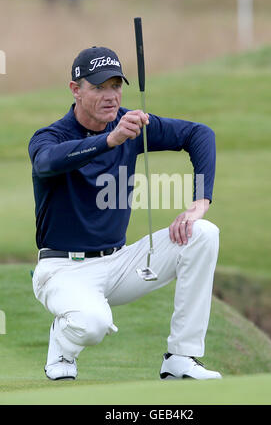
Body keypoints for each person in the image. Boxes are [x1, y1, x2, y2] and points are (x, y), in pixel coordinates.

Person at [28, 46, 222, 381]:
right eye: (99, 87)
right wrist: (110, 140)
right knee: (93, 324)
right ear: (76, 89)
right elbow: (47, 162)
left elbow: (200, 134)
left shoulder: (130, 124)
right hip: (62, 269)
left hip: (120, 264)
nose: (110, 95)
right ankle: (63, 339)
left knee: (203, 234)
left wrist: (199, 204)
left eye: (116, 86)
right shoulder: (51, 136)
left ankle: (181, 356)